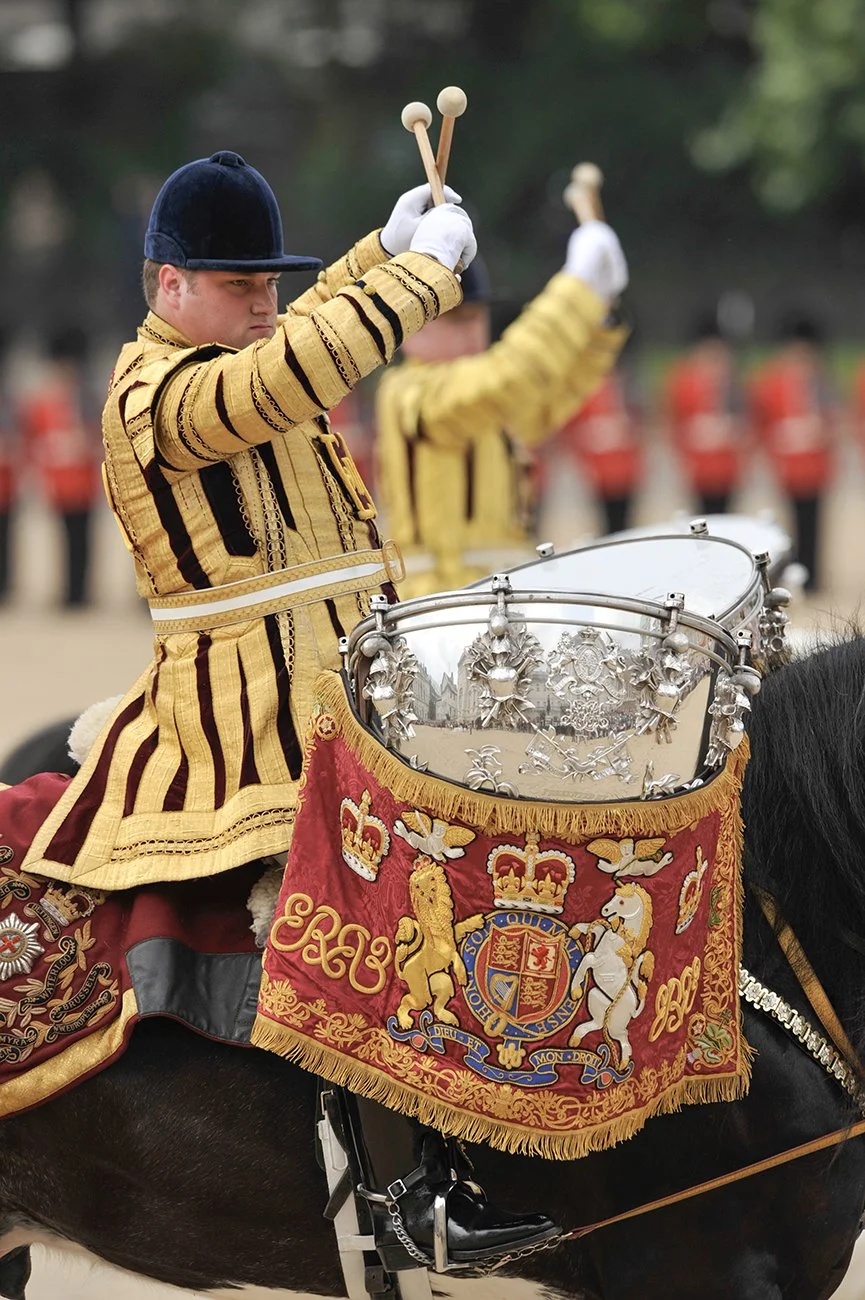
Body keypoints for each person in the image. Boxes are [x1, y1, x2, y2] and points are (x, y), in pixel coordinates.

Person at [20, 149, 555, 1265]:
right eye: (240, 286)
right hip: (242, 727)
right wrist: (420, 277)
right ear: (169, 284)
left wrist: (381, 251)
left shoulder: (242, 347)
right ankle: (408, 1195)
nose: (264, 306)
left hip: (346, 701)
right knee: (371, 889)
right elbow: (288, 372)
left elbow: (300, 332)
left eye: (271, 284)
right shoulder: (155, 394)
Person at [374, 219, 629, 598]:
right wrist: (577, 288)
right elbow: (511, 375)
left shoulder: (482, 394)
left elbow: (548, 394)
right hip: (440, 603)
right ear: (411, 325)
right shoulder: (410, 391)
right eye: (454, 319)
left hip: (496, 596)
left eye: (476, 316)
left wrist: (600, 319)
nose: (471, 332)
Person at [749, 313, 836, 592]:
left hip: (815, 463)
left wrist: (816, 430)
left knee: (813, 522)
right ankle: (795, 572)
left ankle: (812, 577)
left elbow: (834, 419)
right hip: (787, 463)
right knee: (787, 523)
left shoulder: (821, 379)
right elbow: (761, 420)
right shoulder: (772, 380)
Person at [19, 325, 101, 607]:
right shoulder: (44, 402)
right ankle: (68, 591)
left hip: (84, 480)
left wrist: (83, 444)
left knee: (83, 539)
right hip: (59, 480)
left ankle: (81, 592)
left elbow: (101, 437)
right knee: (61, 538)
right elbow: (34, 438)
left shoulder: (88, 399)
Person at [547, 349, 644, 537]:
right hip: (599, 468)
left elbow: (641, 425)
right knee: (606, 523)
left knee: (626, 524)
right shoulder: (585, 390)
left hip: (626, 467)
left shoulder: (627, 387)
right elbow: (573, 429)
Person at [663, 312, 748, 518]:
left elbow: (748, 421)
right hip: (698, 465)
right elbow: (673, 422)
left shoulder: (732, 381)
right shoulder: (683, 380)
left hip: (727, 465)